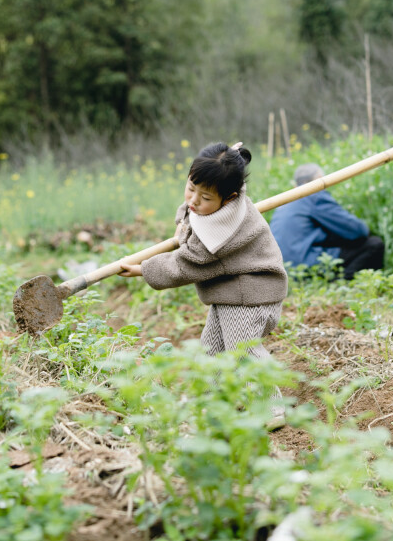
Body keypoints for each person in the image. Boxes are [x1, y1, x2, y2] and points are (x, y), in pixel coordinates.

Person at [118, 142, 289, 426]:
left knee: (241, 351)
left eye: (205, 197)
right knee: (212, 349)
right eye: (190, 187)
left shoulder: (221, 235)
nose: (194, 200)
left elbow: (184, 264)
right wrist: (184, 222)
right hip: (231, 291)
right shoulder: (219, 198)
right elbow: (191, 212)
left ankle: (270, 409)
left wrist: (142, 269)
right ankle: (211, 405)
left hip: (251, 293)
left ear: (229, 198)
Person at [269, 163, 384, 280]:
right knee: (374, 244)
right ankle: (343, 280)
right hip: (306, 265)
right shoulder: (313, 195)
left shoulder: (284, 203)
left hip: (284, 270)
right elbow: (358, 230)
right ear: (319, 180)